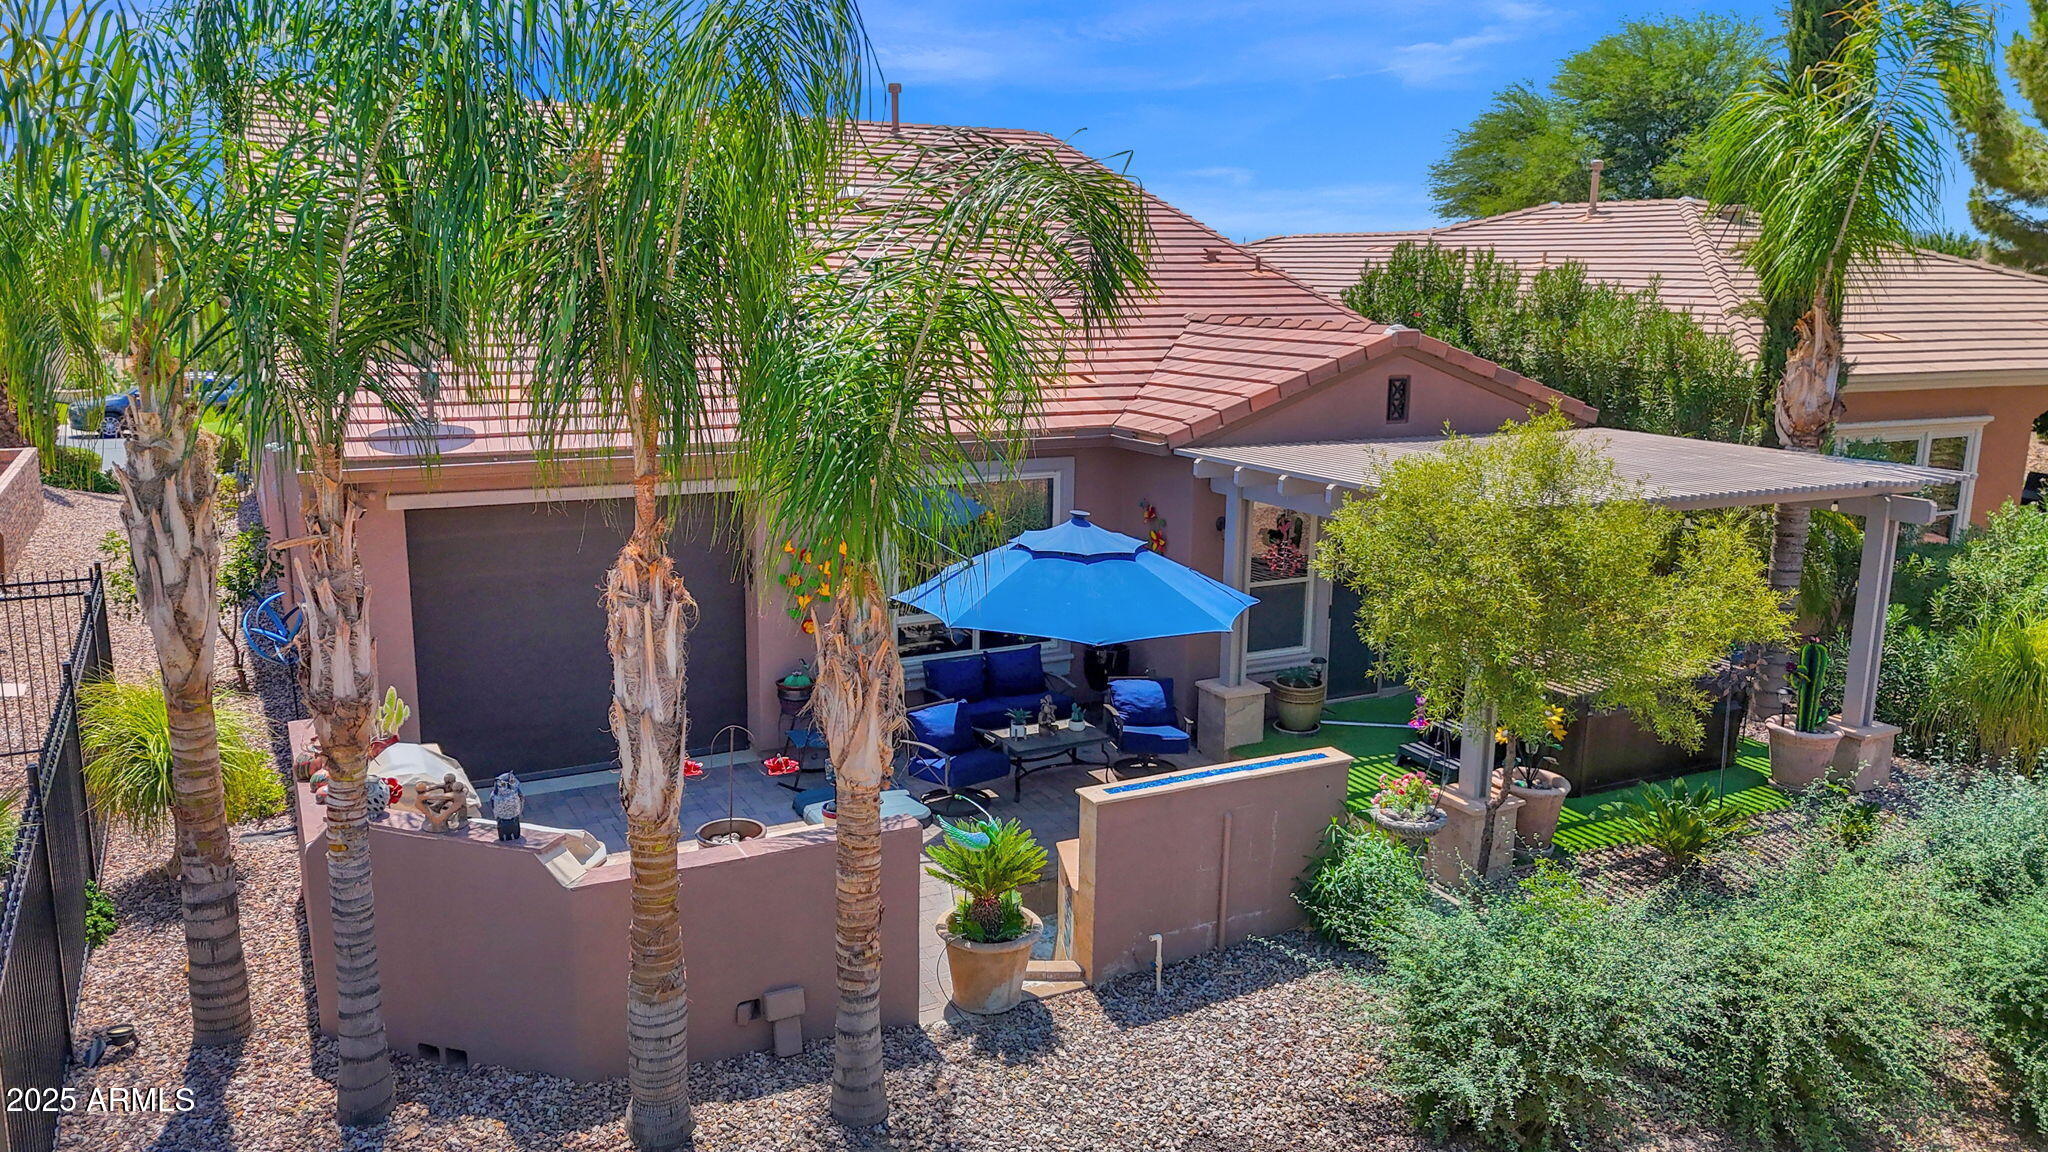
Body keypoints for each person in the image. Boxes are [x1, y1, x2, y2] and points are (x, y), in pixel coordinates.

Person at [490, 772, 523, 841]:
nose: (508, 787)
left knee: (516, 831)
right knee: (503, 832)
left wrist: (519, 814)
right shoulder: (495, 796)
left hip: (515, 817)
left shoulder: (517, 792)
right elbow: (493, 807)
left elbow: (521, 802)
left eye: (512, 781)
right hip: (501, 819)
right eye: (503, 784)